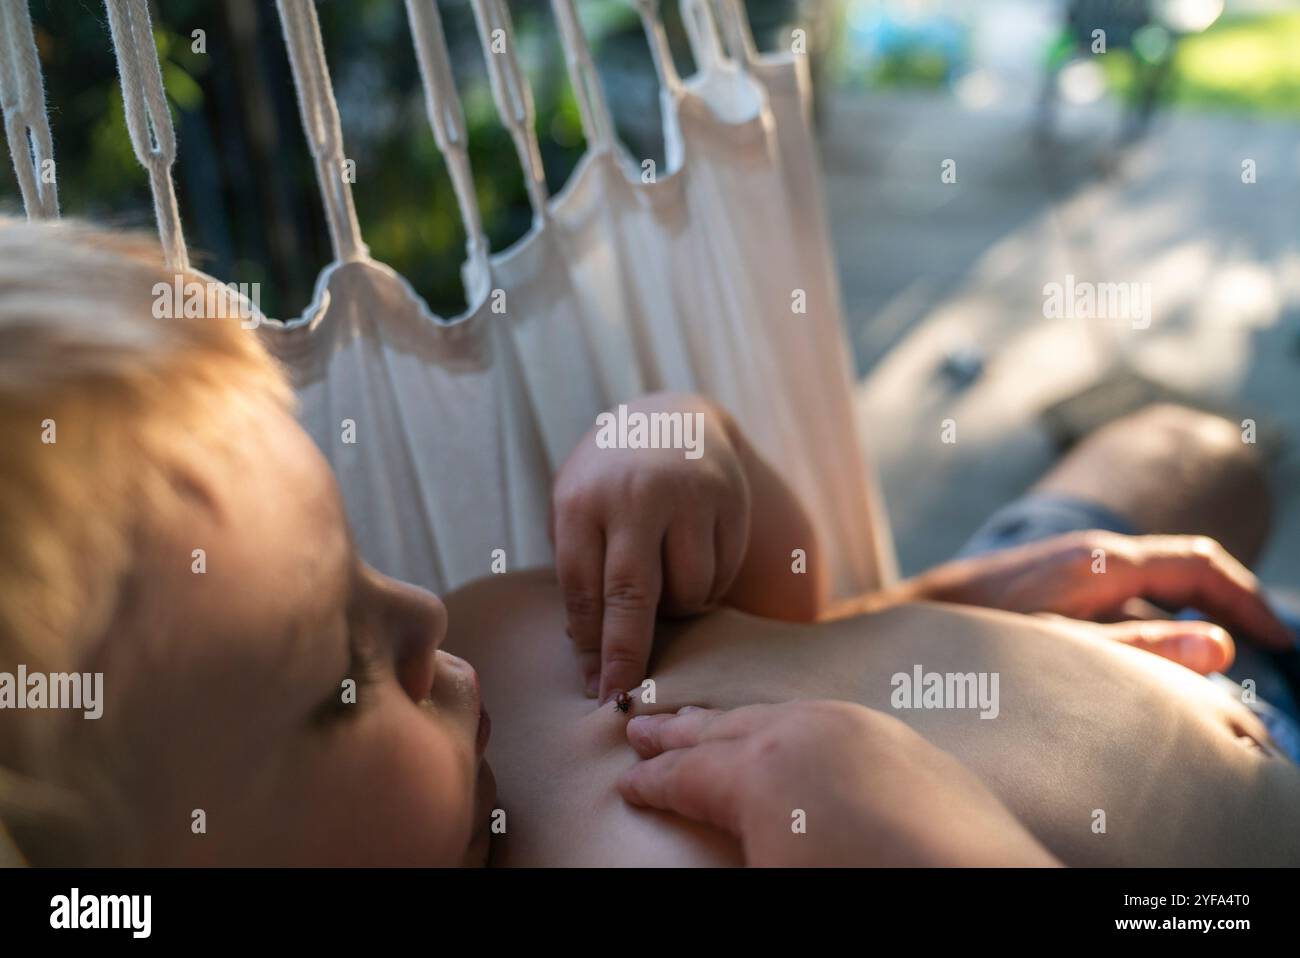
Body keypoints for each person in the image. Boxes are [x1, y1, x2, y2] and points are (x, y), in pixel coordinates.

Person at [2, 220, 1295, 868]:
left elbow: (789, 609)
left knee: (1193, 452)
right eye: (338, 681)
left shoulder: (487, 657)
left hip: (1108, 643)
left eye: (350, 556)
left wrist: (687, 440)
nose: (420, 615)